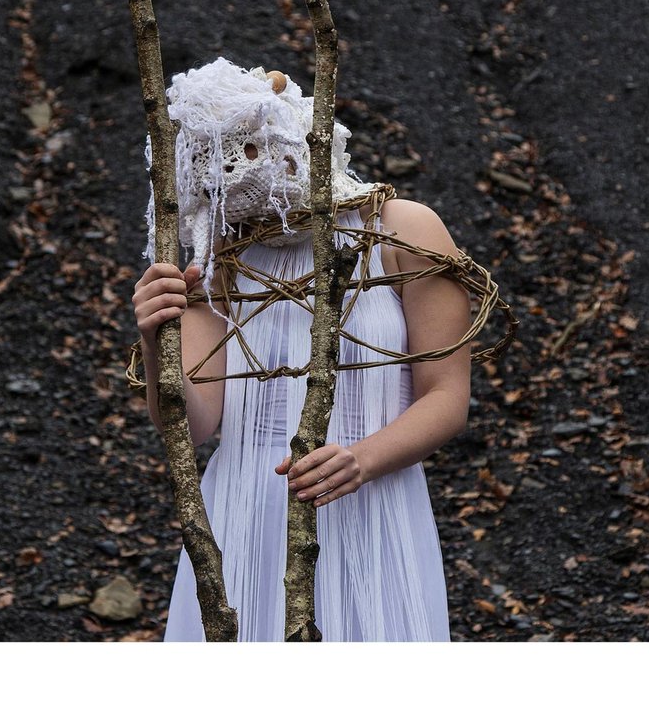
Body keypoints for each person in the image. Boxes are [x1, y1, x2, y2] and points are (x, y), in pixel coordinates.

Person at [131, 57, 471, 641]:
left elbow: (447, 395)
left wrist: (361, 458)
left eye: (254, 153)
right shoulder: (219, 255)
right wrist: (156, 330)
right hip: (245, 514)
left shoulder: (401, 229)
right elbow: (192, 425)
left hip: (371, 505)